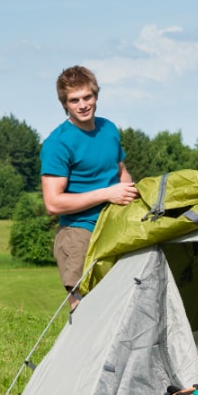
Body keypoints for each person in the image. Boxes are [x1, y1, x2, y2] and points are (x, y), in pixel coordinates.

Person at [40, 65, 139, 311]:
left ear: (96, 96)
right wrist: (107, 193)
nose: (83, 105)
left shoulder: (109, 129)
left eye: (87, 97)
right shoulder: (58, 143)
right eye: (74, 100)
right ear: (65, 104)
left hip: (116, 226)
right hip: (79, 234)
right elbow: (53, 203)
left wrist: (134, 200)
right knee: (86, 311)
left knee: (124, 306)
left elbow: (120, 172)